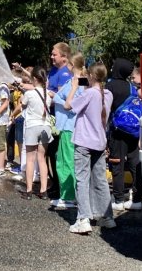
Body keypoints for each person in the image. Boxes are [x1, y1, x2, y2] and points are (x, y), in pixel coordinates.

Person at [69, 63, 116, 234]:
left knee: (82, 179)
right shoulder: (107, 94)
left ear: (92, 76)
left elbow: (69, 106)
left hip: (84, 142)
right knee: (100, 180)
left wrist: (74, 87)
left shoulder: (88, 94)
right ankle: (107, 217)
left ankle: (83, 219)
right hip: (99, 142)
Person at [107, 57, 142, 214]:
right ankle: (136, 200)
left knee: (117, 165)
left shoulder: (110, 86)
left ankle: (118, 200)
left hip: (117, 132)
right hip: (133, 131)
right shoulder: (132, 87)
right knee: (134, 163)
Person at [51, 53, 84, 210]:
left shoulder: (77, 83)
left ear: (71, 65)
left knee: (66, 163)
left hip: (69, 126)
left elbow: (74, 105)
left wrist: (57, 99)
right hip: (67, 126)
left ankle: (68, 197)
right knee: (65, 161)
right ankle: (68, 195)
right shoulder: (77, 81)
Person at [45, 42, 73, 199]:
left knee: (57, 154)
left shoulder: (65, 74)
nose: (51, 56)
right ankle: (55, 184)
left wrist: (49, 94)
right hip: (51, 117)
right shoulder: (54, 71)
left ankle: (61, 188)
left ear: (64, 56)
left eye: (54, 54)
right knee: (50, 153)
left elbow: (62, 97)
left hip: (60, 121)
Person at [17, 67, 51, 199]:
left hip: (32, 126)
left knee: (30, 159)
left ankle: (29, 190)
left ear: (35, 79)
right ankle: (43, 191)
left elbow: (23, 106)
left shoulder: (29, 94)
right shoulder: (47, 94)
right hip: (46, 127)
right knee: (41, 159)